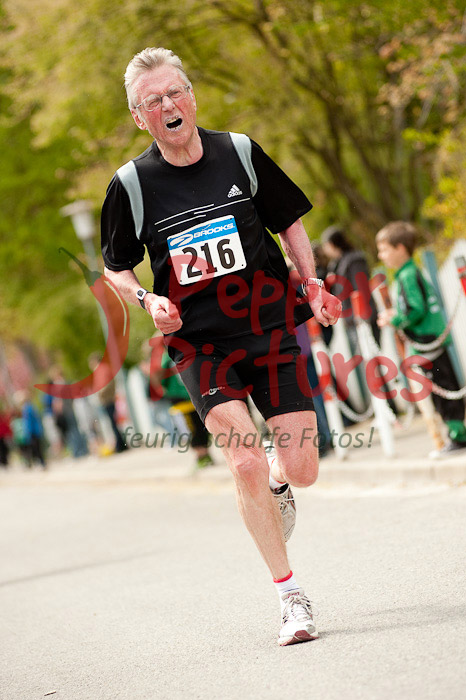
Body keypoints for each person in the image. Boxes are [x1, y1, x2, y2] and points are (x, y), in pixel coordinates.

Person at [101, 47, 341, 646]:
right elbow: (114, 266)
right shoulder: (131, 184)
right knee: (244, 460)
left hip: (269, 327)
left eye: (174, 92)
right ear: (138, 117)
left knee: (303, 469)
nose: (168, 105)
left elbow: (289, 221)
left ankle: (281, 483)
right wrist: (146, 299)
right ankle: (290, 596)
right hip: (200, 344)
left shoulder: (239, 151)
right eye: (152, 101)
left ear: (192, 96)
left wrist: (311, 282)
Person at [376, 222, 466, 458]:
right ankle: (455, 434)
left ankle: (458, 435)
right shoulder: (406, 274)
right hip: (428, 342)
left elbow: (416, 309)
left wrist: (394, 319)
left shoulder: (407, 275)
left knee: (443, 390)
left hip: (428, 342)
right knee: (442, 390)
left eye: (384, 249)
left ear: (400, 248)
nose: (380, 255)